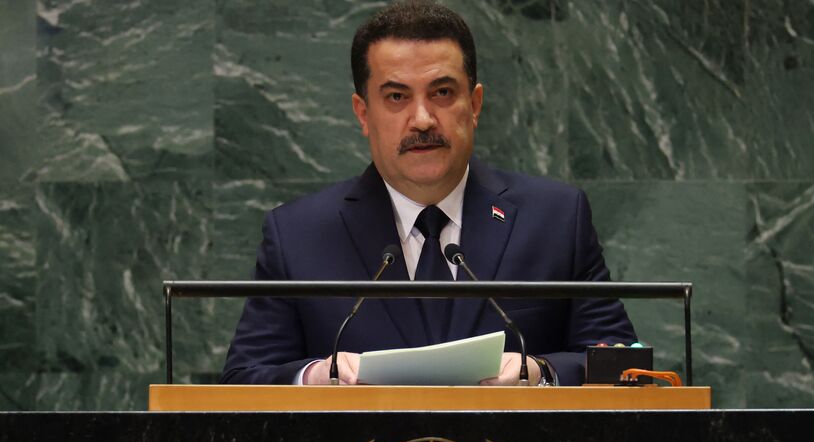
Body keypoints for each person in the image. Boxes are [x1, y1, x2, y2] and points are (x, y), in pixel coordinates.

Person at [220, 0, 636, 386]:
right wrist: (314, 377)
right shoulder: (298, 234)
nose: (421, 119)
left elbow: (623, 365)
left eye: (441, 92)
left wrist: (541, 371)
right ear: (363, 113)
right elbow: (243, 377)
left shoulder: (556, 219)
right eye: (397, 97)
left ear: (474, 105)